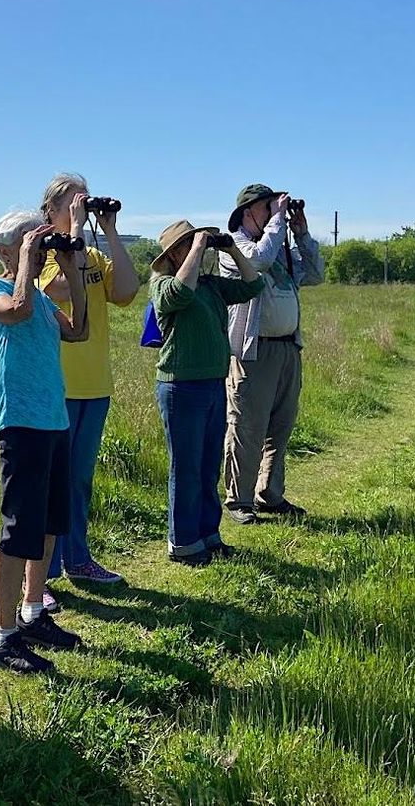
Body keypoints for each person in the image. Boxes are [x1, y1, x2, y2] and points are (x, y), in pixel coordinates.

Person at [0, 211, 89, 672]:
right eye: (29, 244)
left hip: (53, 419)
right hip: (19, 423)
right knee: (18, 528)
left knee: (47, 525)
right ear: (5, 251)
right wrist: (25, 259)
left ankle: (33, 612)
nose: (39, 251)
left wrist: (72, 266)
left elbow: (78, 330)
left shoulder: (41, 298)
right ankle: (1, 637)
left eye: (39, 246)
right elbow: (15, 312)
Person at [37, 173, 139, 602]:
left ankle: (75, 559)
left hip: (95, 383)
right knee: (50, 483)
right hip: (58, 386)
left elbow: (129, 290)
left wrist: (110, 229)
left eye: (82, 204)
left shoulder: (94, 256)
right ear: (50, 213)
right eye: (70, 205)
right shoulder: (40, 255)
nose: (79, 210)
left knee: (79, 480)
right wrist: (75, 231)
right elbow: (60, 287)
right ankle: (42, 575)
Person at [149, 220, 264, 566]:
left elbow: (253, 285)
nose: (197, 247)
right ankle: (182, 542)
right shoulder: (162, 284)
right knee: (185, 467)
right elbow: (179, 295)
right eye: (187, 244)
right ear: (174, 254)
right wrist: (198, 248)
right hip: (180, 386)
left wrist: (229, 248)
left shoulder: (212, 285)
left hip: (213, 383)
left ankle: (207, 535)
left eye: (196, 242)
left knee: (207, 464)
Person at [219, 184, 326, 525]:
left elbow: (317, 275)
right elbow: (259, 261)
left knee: (280, 426)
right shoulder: (233, 244)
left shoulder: (279, 244)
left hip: (286, 348)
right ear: (250, 211)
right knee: (247, 426)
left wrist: (302, 232)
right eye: (268, 208)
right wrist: (279, 223)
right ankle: (238, 499)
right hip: (253, 350)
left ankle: (270, 493)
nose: (274, 213)